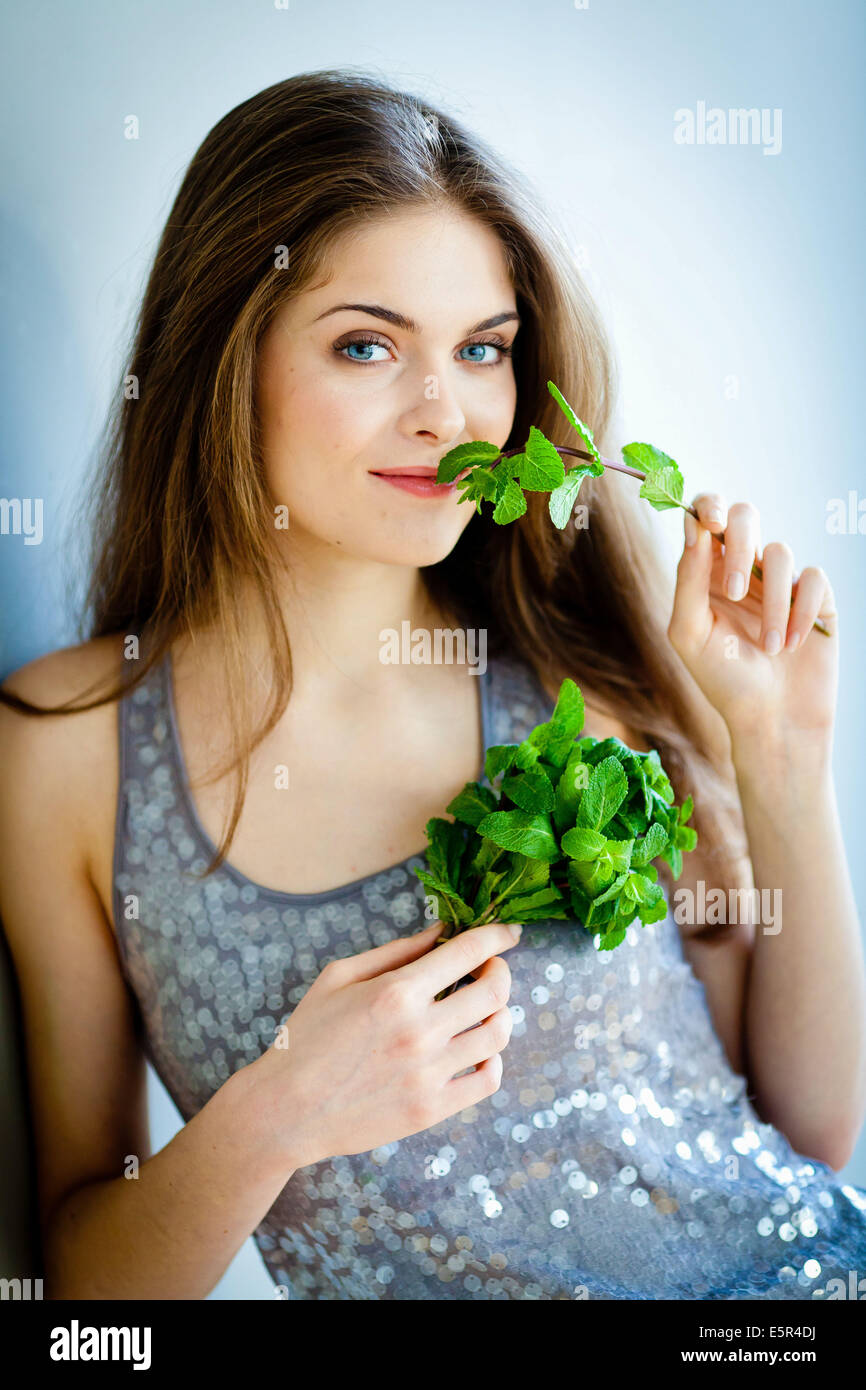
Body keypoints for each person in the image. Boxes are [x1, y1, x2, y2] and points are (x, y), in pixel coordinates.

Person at [1, 68, 864, 1302]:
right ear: (220, 358)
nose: (446, 412)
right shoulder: (64, 751)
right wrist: (278, 1112)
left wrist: (782, 757)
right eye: (367, 344)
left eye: (481, 350)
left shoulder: (583, 681)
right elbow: (83, 1295)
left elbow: (806, 1132)